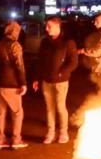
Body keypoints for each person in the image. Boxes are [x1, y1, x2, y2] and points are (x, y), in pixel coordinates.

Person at [32, 16, 77, 144]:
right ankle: (51, 132)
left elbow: (73, 62)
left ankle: (63, 132)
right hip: (46, 81)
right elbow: (39, 61)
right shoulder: (45, 42)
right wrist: (36, 78)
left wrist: (62, 73)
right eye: (46, 26)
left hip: (61, 82)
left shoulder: (68, 42)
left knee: (60, 106)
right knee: (49, 108)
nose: (46, 29)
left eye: (49, 26)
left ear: (58, 26)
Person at [0, 20, 27, 150]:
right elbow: (19, 66)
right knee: (17, 112)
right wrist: (23, 83)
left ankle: (0, 140)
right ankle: (16, 140)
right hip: (11, 84)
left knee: (0, 112)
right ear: (14, 31)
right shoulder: (15, 45)